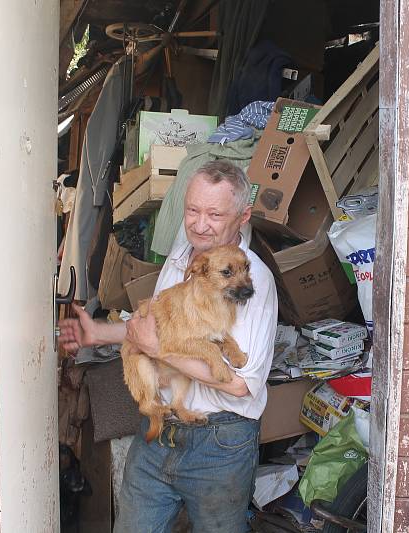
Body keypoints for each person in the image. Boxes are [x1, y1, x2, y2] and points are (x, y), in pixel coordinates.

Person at [58, 160, 278, 533]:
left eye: (214, 213)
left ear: (243, 216)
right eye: (192, 210)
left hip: (219, 443)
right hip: (159, 431)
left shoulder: (252, 283)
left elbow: (241, 385)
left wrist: (159, 350)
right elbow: (154, 327)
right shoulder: (183, 256)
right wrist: (98, 333)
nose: (198, 223)